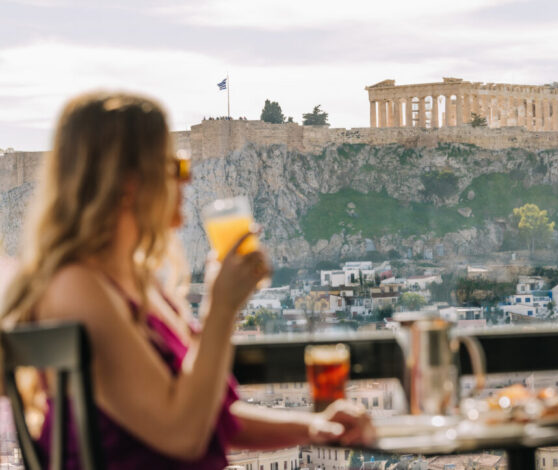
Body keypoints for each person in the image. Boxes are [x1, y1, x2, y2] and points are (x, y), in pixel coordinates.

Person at [0, 92, 373, 468]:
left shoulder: (139, 283)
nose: (188, 177)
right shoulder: (76, 288)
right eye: (176, 165)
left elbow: (207, 414)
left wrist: (313, 428)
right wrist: (221, 308)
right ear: (129, 182)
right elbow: (182, 435)